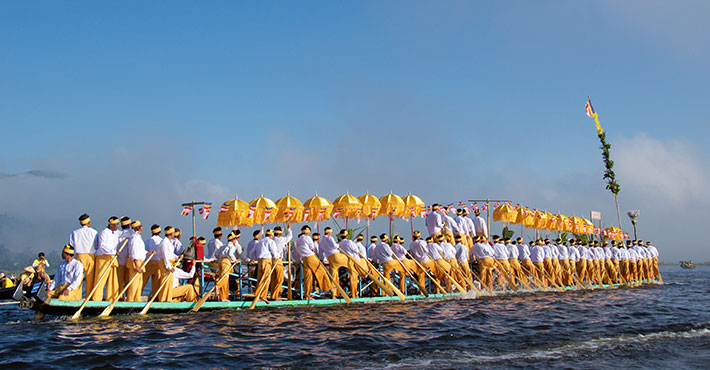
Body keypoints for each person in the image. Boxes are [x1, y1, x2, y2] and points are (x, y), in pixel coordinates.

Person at [293, 226, 332, 299]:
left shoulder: (297, 240)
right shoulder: (307, 238)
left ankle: (307, 295)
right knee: (321, 271)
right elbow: (313, 249)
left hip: (304, 259)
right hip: (311, 257)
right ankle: (328, 288)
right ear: (308, 232)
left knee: (308, 277)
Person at [92, 216, 121, 301]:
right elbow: (102, 246)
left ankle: (111, 299)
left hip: (111, 258)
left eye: (118, 224)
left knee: (113, 280)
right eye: (115, 225)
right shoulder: (104, 233)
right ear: (111, 225)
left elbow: (125, 234)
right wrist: (113, 252)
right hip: (103, 258)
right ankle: (96, 299)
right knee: (100, 279)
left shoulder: (115, 233)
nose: (117, 226)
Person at [69, 213, 97, 298]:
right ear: (88, 223)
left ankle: (76, 297)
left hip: (79, 256)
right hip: (90, 256)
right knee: (90, 279)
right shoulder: (94, 232)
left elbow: (71, 246)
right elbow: (96, 245)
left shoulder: (74, 233)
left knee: (77, 278)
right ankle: (89, 297)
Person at [320, 227, 351, 298]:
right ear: (329, 232)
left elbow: (321, 253)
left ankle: (334, 294)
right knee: (351, 263)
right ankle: (354, 291)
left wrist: (323, 259)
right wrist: (338, 244)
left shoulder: (321, 241)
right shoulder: (330, 238)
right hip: (337, 256)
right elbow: (335, 245)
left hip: (330, 258)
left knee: (334, 275)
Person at [215, 230, 240, 300]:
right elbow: (230, 254)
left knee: (224, 279)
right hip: (226, 261)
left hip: (221, 261)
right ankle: (218, 285)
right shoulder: (232, 246)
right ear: (233, 240)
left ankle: (223, 297)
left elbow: (216, 253)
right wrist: (235, 260)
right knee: (225, 278)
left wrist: (220, 258)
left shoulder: (223, 246)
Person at [126, 220, 147, 302]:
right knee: (134, 283)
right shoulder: (134, 239)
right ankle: (130, 300)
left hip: (140, 261)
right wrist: (137, 265)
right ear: (139, 228)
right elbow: (134, 252)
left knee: (139, 283)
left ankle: (136, 299)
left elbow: (140, 250)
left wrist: (148, 253)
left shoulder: (138, 237)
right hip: (136, 262)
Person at [254, 229, 277, 300]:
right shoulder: (271, 241)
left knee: (260, 279)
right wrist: (277, 257)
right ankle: (262, 296)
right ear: (271, 235)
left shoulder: (260, 242)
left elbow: (254, 252)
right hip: (266, 261)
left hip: (259, 261)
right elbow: (274, 252)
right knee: (266, 278)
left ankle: (258, 294)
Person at [271, 225, 292, 300]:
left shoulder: (271, 239)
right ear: (280, 234)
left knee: (273, 279)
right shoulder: (281, 240)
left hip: (271, 261)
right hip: (277, 260)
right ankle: (275, 295)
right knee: (279, 279)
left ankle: (273, 295)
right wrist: (289, 229)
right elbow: (289, 236)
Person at [157, 226, 178, 302]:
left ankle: (168, 299)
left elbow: (171, 254)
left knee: (169, 282)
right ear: (171, 233)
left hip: (170, 263)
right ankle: (162, 299)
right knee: (165, 281)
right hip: (166, 264)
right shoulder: (164, 242)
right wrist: (169, 267)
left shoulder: (169, 241)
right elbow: (165, 256)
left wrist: (177, 258)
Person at [143, 224, 163, 296]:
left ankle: (137, 295)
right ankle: (156, 296)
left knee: (143, 280)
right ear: (159, 232)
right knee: (157, 282)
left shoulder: (148, 241)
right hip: (159, 263)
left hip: (149, 262)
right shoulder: (162, 241)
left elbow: (144, 252)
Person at [116, 216, 132, 293]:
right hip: (129, 261)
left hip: (120, 261)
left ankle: (119, 296)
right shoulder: (132, 234)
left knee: (118, 282)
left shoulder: (118, 235)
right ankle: (129, 297)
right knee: (129, 282)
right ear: (129, 225)